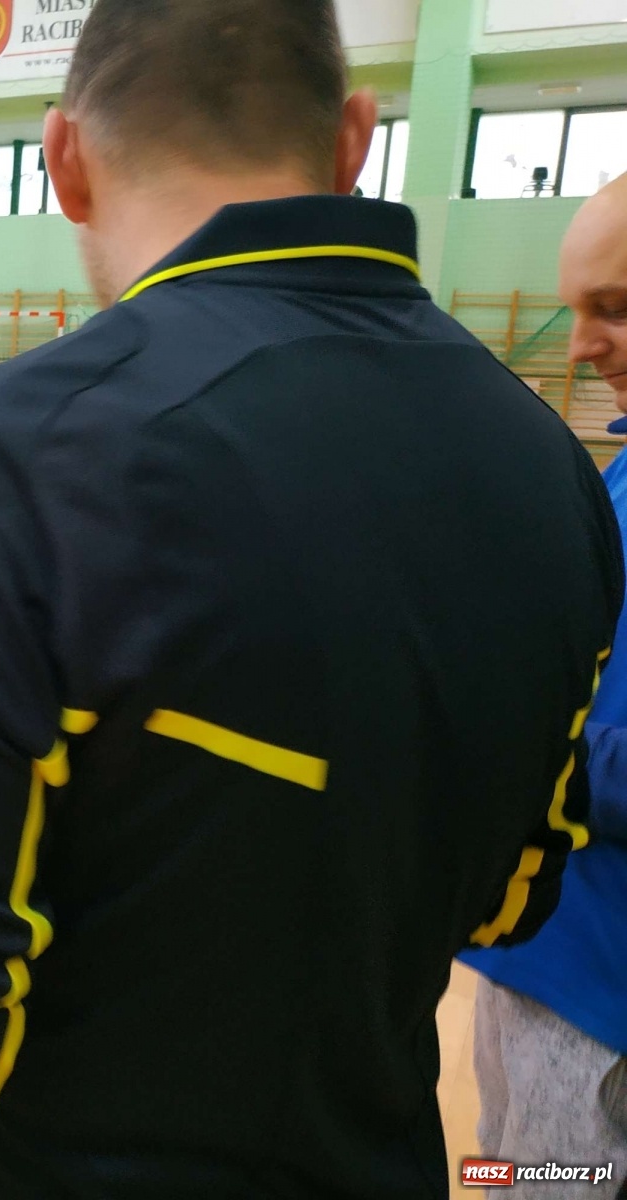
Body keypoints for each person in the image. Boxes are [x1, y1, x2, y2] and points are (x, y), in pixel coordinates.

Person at [0, 2, 624, 1197]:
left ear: (61, 159)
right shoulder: (557, 477)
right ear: (354, 139)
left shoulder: (0, 464)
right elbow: (510, 900)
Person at [459, 173, 627, 1189]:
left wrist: (522, 742)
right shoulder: (611, 474)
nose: (578, 345)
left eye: (614, 308)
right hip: (548, 960)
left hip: (595, 1000)